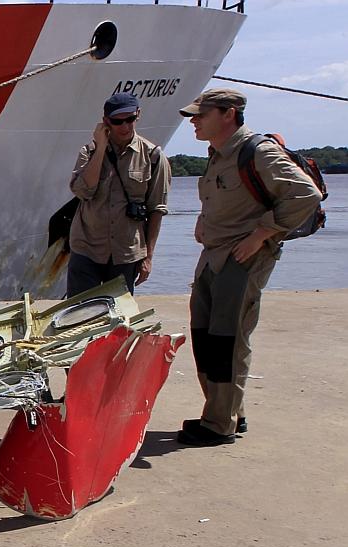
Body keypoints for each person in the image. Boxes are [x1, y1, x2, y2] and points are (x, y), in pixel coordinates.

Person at [177, 88, 322, 447]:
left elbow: (306, 195)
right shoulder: (216, 154)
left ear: (228, 114)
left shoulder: (257, 152)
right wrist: (203, 222)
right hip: (214, 255)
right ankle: (227, 411)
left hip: (242, 258)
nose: (194, 121)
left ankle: (219, 424)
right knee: (205, 335)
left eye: (201, 114)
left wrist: (262, 233)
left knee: (228, 339)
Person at [66, 91, 169, 297]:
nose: (124, 126)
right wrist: (101, 147)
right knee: (79, 316)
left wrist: (148, 257)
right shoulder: (90, 151)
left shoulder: (153, 156)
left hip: (126, 253)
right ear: (106, 122)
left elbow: (156, 210)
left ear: (137, 115)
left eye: (130, 119)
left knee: (118, 320)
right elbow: (83, 191)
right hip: (87, 247)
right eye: (117, 121)